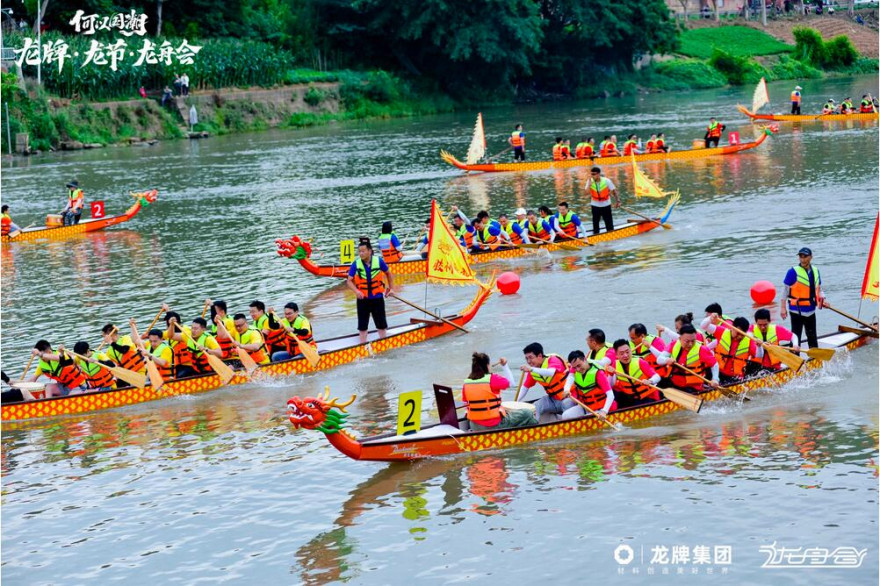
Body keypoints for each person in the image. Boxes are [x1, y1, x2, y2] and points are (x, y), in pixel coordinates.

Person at [462, 353, 537, 430]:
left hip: (474, 425)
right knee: (527, 413)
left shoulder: (466, 383)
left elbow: (466, 404)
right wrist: (504, 365)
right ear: (487, 365)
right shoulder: (492, 379)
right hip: (493, 425)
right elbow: (511, 384)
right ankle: (534, 432)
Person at [347, 240, 394, 344]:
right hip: (362, 299)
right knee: (362, 326)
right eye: (359, 251)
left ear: (370, 251)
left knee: (381, 324)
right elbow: (349, 281)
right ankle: (362, 345)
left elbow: (389, 274)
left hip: (377, 298)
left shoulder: (379, 261)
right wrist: (356, 291)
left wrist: (391, 289)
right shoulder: (356, 264)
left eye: (363, 251)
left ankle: (383, 344)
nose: (361, 253)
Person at [781, 246, 825, 349]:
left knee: (812, 336)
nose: (803, 259)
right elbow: (785, 291)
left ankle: (815, 359)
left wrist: (823, 299)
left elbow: (819, 288)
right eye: (801, 256)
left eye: (805, 256)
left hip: (810, 310)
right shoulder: (792, 272)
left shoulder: (815, 271)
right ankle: (794, 359)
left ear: (811, 257)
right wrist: (783, 308)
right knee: (796, 337)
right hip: (796, 310)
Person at [700, 315, 764, 383]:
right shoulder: (722, 332)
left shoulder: (749, 341)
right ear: (732, 327)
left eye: (742, 335)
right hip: (717, 372)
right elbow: (704, 326)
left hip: (734, 377)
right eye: (738, 333)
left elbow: (759, 355)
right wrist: (710, 318)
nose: (739, 336)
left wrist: (759, 347)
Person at [656, 324, 719, 392]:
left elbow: (714, 364)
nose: (690, 344)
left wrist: (715, 379)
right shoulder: (674, 344)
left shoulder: (702, 349)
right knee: (660, 384)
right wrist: (667, 360)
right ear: (680, 338)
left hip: (693, 387)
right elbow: (659, 360)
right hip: (674, 382)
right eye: (687, 341)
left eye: (693, 341)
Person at [518, 342, 571, 420]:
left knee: (566, 404)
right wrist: (516, 402)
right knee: (535, 407)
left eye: (530, 357)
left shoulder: (553, 359)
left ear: (539, 355)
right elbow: (525, 387)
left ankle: (565, 423)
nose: (529, 361)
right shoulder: (533, 370)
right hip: (553, 399)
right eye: (526, 359)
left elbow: (550, 372)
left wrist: (531, 369)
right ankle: (534, 427)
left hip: (570, 397)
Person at [562, 350, 615, 420]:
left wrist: (604, 412)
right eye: (574, 367)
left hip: (601, 408)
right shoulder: (574, 368)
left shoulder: (598, 373)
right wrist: (566, 390)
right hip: (586, 406)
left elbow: (610, 395)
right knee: (565, 416)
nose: (577, 369)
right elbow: (570, 377)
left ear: (585, 359)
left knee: (586, 419)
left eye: (579, 365)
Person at [609, 339, 662, 407]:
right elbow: (611, 385)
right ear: (616, 355)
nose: (625, 355)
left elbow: (657, 377)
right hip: (632, 398)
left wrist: (650, 381)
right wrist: (610, 374)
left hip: (649, 396)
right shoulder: (615, 365)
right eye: (621, 353)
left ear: (631, 351)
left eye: (627, 352)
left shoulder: (640, 362)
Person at [585, 166, 621, 235]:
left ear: (598, 174)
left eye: (594, 174)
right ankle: (596, 236)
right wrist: (589, 185)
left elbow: (614, 191)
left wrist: (618, 201)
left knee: (608, 223)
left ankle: (611, 235)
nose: (592, 176)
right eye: (591, 174)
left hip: (606, 204)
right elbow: (586, 193)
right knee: (595, 223)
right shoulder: (589, 181)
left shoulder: (606, 181)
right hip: (595, 205)